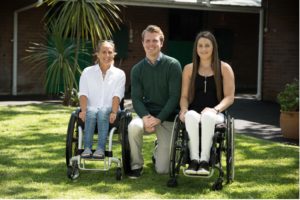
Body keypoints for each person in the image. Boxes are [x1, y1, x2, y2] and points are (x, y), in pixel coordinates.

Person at [128, 25, 182, 178]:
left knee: (163, 170)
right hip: (147, 116)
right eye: (147, 41)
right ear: (143, 42)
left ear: (161, 43)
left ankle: (158, 149)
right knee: (133, 127)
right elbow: (136, 99)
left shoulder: (173, 65)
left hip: (167, 117)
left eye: (155, 41)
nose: (151, 44)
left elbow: (174, 97)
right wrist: (145, 117)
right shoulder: (137, 69)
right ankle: (136, 165)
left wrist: (159, 119)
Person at [179, 31, 235, 175]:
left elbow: (229, 97)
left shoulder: (224, 68)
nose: (203, 49)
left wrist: (215, 109)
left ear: (213, 47)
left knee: (208, 117)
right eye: (200, 46)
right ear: (196, 48)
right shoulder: (189, 69)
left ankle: (204, 161)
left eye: (207, 45)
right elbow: (184, 96)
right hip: (194, 112)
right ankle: (193, 161)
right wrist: (184, 109)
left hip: (216, 113)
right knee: (190, 115)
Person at [78, 40, 126, 159]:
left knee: (103, 110)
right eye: (103, 52)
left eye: (110, 52)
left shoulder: (119, 74)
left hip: (111, 112)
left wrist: (114, 112)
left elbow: (117, 95)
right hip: (90, 112)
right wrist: (83, 110)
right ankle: (87, 148)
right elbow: (83, 94)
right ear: (97, 54)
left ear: (114, 54)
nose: (107, 55)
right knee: (92, 110)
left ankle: (100, 148)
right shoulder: (87, 72)